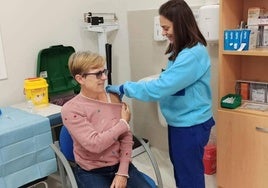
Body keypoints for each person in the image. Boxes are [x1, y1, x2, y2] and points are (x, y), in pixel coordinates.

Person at [106, 0, 215, 187]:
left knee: (189, 175)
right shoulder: (181, 50)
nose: (163, 32)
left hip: (190, 125)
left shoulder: (192, 54)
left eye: (166, 27)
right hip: (182, 122)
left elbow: (159, 88)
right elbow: (171, 82)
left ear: (180, 24)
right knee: (182, 170)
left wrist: (125, 88)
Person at [61, 51, 153, 188]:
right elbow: (94, 145)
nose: (104, 77)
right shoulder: (71, 109)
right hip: (91, 172)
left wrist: (122, 172)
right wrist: (123, 123)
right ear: (80, 79)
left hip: (120, 165)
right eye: (98, 74)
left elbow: (126, 138)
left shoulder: (114, 98)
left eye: (104, 71)